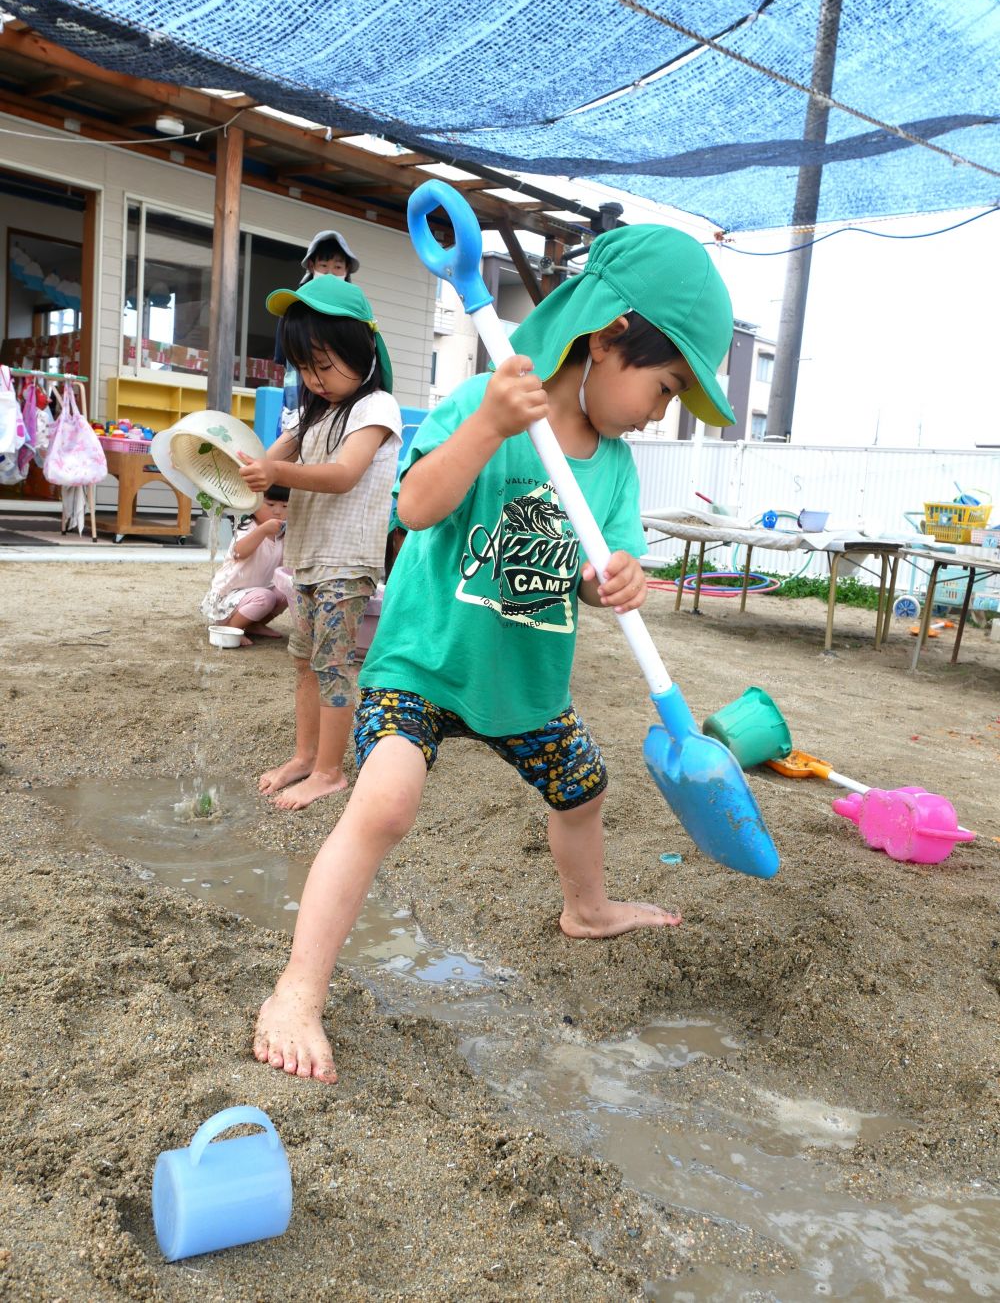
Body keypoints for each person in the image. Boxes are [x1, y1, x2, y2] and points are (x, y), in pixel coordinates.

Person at [252, 223, 737, 1082]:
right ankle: (296, 988)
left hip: (527, 682)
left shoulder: (618, 468)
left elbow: (596, 568)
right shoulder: (491, 401)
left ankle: (585, 911)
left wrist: (614, 580)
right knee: (387, 802)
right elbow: (418, 508)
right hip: (427, 662)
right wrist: (484, 426)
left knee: (583, 788)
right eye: (664, 387)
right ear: (609, 336)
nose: (661, 410)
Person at [240, 274, 402, 811]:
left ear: (363, 350)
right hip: (307, 559)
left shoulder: (375, 409)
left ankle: (331, 771)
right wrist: (240, 464)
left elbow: (342, 474)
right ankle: (305, 756)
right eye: (305, 367)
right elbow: (267, 458)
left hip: (344, 562)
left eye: (325, 365)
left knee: (332, 664)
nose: (315, 378)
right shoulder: (314, 413)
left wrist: (276, 470)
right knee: (305, 661)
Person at [277, 230, 361, 427]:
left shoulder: (353, 311)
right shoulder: (295, 309)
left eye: (338, 267)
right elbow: (284, 359)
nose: (330, 274)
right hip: (298, 399)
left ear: (347, 269)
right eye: (324, 266)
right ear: (311, 266)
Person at [199, 486, 289, 645]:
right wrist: (262, 531)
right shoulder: (248, 526)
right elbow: (239, 552)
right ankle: (231, 629)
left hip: (254, 594)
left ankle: (254, 624)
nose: (277, 511)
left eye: (285, 506)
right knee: (265, 597)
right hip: (229, 598)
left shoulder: (282, 535)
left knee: (286, 590)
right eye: (270, 505)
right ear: (254, 505)